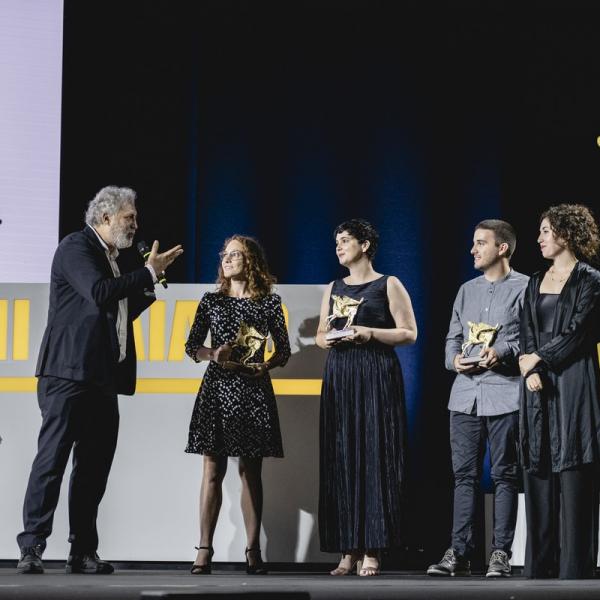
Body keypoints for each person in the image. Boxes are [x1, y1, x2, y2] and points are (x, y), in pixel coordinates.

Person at [16, 186, 183, 575]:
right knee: (52, 459)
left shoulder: (109, 259)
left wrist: (149, 282)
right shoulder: (77, 247)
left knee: (93, 468)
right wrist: (145, 272)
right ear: (105, 217)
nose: (135, 225)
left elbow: (118, 310)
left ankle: (82, 551)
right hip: (68, 374)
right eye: (130, 218)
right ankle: (32, 546)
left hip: (101, 378)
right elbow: (97, 293)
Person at [316, 219, 417, 577]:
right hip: (341, 374)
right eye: (337, 241)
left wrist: (368, 332)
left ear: (365, 244)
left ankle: (373, 547)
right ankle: (348, 548)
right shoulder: (333, 286)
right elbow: (320, 335)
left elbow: (409, 333)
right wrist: (326, 339)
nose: (340, 247)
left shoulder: (388, 283)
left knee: (375, 454)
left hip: (375, 372)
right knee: (341, 455)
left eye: (346, 240)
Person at [427, 220, 528, 578]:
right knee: (464, 476)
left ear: (502, 248)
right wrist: (453, 359)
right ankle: (459, 552)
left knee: (505, 475)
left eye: (480, 243)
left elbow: (529, 343)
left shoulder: (525, 288)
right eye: (473, 243)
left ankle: (500, 553)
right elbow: (452, 337)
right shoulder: (466, 290)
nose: (473, 250)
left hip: (505, 395)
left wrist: (500, 352)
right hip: (465, 396)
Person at [185, 235, 290, 575]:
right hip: (217, 389)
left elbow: (283, 351)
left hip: (253, 391)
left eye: (235, 254)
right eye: (224, 254)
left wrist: (267, 365)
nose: (226, 259)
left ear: (252, 261)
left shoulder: (268, 303)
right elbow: (191, 346)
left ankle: (253, 549)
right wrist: (212, 353)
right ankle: (203, 549)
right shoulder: (212, 301)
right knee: (212, 470)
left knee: (251, 472)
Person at [519, 204, 600, 579]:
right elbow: (527, 329)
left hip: (573, 382)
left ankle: (574, 573)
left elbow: (579, 333)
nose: (539, 238)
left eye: (546, 231)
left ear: (566, 234)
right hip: (536, 386)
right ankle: (538, 570)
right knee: (538, 470)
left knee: (574, 472)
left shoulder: (590, 281)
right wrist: (528, 362)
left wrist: (537, 361)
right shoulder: (535, 281)